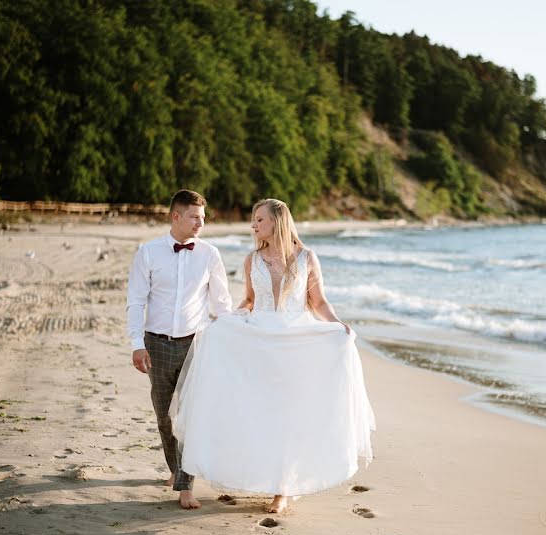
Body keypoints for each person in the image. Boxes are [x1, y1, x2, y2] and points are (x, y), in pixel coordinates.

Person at [169, 198, 375, 514]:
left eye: (259, 219)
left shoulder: (307, 258)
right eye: (253, 220)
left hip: (295, 345)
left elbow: (318, 303)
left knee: (289, 416)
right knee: (264, 413)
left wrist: (336, 325)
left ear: (277, 222)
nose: (253, 225)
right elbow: (250, 300)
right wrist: (229, 320)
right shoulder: (253, 260)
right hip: (261, 344)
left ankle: (283, 491)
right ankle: (266, 479)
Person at [126, 189, 232, 509]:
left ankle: (186, 485)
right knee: (164, 416)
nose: (200, 223)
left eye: (202, 218)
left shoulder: (210, 254)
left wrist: (236, 336)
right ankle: (176, 469)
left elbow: (221, 304)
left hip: (195, 346)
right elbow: (136, 301)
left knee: (189, 416)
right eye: (194, 217)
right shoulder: (148, 252)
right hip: (155, 344)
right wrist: (136, 345)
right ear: (176, 217)